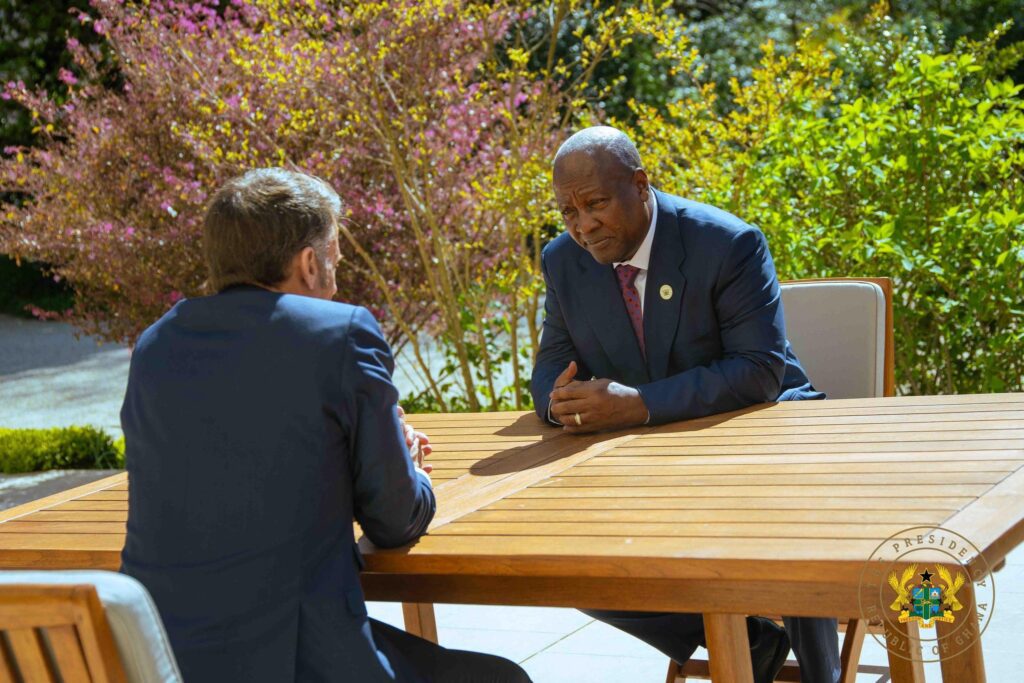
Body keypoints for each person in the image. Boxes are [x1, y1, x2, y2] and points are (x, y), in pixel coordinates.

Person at [121, 168, 530, 683]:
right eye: (334, 261)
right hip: (294, 660)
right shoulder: (338, 334)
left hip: (159, 657)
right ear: (309, 264)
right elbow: (394, 521)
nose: (336, 282)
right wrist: (408, 467)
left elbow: (247, 470)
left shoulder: (156, 344)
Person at [530, 126, 839, 683]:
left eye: (595, 204)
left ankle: (823, 674)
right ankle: (750, 642)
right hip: (652, 455)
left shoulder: (727, 243)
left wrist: (638, 404)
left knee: (791, 520)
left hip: (763, 429)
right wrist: (566, 405)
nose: (582, 226)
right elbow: (550, 371)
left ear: (640, 185)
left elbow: (759, 369)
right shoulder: (564, 261)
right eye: (568, 212)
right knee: (558, 552)